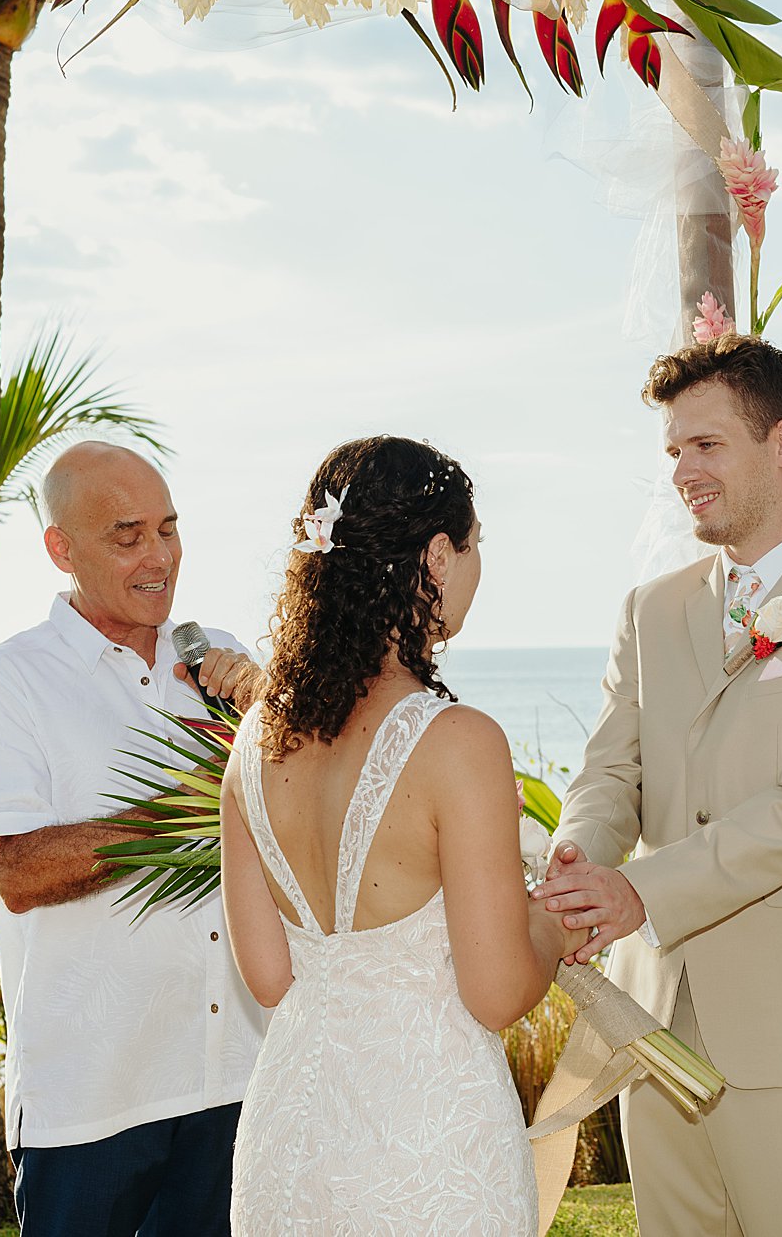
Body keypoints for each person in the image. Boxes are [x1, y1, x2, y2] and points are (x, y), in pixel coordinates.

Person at [534, 333, 782, 1235]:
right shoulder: (652, 606)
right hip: (654, 1020)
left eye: (705, 445)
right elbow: (611, 768)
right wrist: (576, 864)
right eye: (673, 450)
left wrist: (636, 889)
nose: (683, 470)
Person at [219, 436, 582, 1235]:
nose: (479, 567)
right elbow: (495, 991)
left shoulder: (256, 742)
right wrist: (554, 922)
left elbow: (272, 978)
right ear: (439, 556)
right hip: (427, 1141)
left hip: (290, 1141)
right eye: (476, 544)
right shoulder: (458, 742)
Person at [0, 441, 269, 1237]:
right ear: (62, 548)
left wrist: (274, 718)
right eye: (128, 536)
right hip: (90, 1102)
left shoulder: (220, 665)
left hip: (238, 1077)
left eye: (169, 529)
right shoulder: (7, 681)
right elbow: (18, 869)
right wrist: (199, 803)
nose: (160, 556)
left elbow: (303, 826)